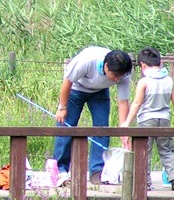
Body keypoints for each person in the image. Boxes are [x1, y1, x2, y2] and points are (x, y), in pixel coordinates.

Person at [53, 46, 133, 186]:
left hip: (100, 92)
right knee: (66, 127)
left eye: (119, 77)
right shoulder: (88, 61)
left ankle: (97, 171)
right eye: (114, 76)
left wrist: (123, 128)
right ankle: (61, 170)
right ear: (106, 66)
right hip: (76, 89)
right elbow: (67, 82)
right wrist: (62, 107)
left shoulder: (124, 73)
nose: (116, 80)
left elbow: (123, 101)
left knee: (102, 129)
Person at [121, 47, 174, 191]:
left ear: (143, 65)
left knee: (144, 150)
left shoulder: (144, 82)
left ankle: (145, 181)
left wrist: (126, 123)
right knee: (167, 149)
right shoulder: (169, 80)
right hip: (164, 120)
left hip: (146, 120)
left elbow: (137, 103)